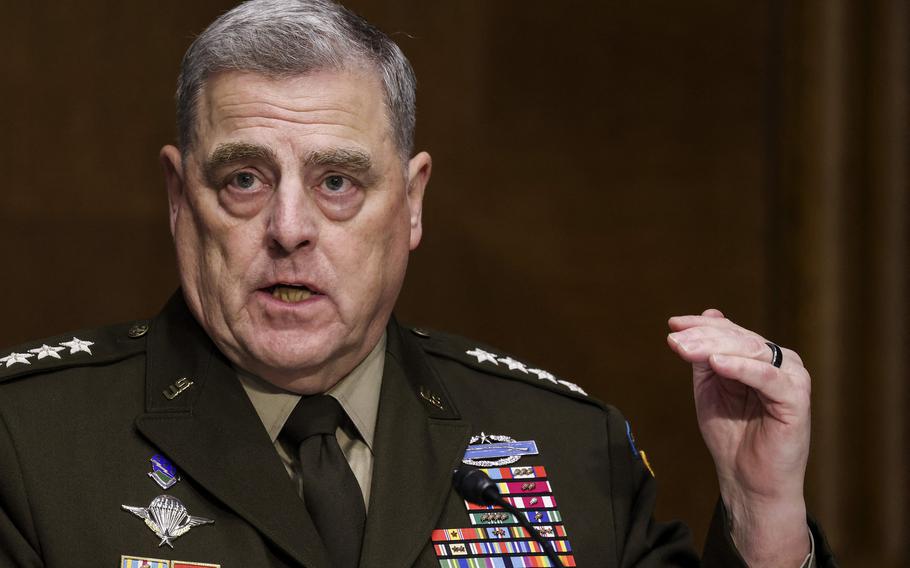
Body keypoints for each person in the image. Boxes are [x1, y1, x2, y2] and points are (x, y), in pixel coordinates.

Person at [0, 1, 835, 567]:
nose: (289, 228)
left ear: (411, 204)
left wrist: (766, 520)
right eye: (245, 180)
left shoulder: (568, 449)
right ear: (182, 202)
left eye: (337, 182)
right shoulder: (27, 446)